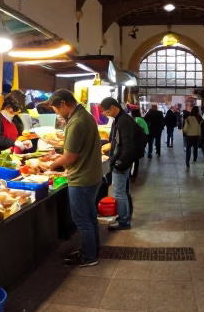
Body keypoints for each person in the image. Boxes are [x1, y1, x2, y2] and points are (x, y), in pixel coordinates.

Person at [49, 90, 102, 267]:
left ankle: (89, 257)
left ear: (63, 103)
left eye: (56, 108)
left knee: (82, 219)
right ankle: (93, 249)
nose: (57, 112)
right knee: (90, 216)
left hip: (81, 178)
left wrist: (51, 165)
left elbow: (70, 157)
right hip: (93, 175)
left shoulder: (76, 122)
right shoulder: (85, 116)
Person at [99, 97, 137, 231]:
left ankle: (123, 221)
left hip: (122, 163)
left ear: (114, 108)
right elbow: (119, 143)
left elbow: (127, 145)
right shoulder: (120, 119)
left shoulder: (124, 121)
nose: (105, 114)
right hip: (121, 161)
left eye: (106, 111)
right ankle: (126, 216)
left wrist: (119, 163)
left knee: (119, 193)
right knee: (122, 191)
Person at [129, 107, 149, 180]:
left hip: (141, 138)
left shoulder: (136, 120)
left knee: (134, 156)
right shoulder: (140, 119)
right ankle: (134, 173)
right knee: (136, 156)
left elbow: (135, 131)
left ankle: (133, 173)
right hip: (144, 136)